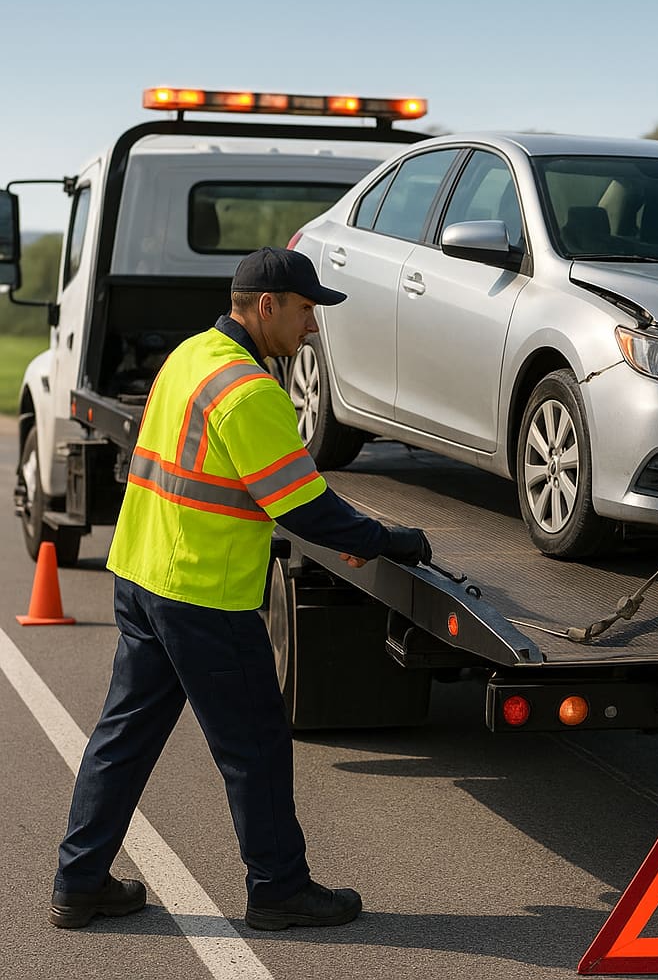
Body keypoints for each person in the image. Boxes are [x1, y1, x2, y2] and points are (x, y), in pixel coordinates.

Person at [50, 246, 431, 931]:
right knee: (255, 746)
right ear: (267, 307)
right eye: (306, 310)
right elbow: (304, 509)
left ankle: (79, 884)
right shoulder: (250, 391)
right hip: (205, 594)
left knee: (122, 738)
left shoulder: (191, 355)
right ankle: (280, 890)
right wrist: (389, 539)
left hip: (142, 575)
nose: (312, 327)